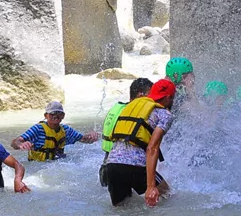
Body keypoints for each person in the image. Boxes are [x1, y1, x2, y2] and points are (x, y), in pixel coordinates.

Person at [103, 79, 176, 207]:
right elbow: (152, 149)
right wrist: (150, 186)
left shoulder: (131, 105)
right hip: (135, 167)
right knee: (169, 196)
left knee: (121, 212)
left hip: (111, 166)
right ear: (168, 98)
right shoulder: (165, 114)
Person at [100, 78, 153, 187]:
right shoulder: (134, 114)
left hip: (105, 171)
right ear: (140, 95)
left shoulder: (117, 108)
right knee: (167, 193)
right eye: (150, 95)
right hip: (125, 169)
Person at [11, 101, 98, 161]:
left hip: (57, 166)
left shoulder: (66, 130)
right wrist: (21, 144)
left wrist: (92, 135)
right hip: (38, 167)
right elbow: (14, 143)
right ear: (46, 115)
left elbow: (84, 139)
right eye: (52, 113)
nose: (56, 116)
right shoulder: (38, 129)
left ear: (63, 116)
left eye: (59, 113)